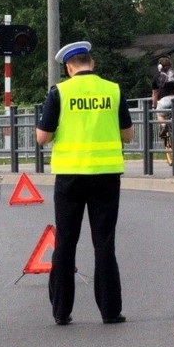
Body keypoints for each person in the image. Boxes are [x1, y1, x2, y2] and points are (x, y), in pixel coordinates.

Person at [35, 41, 134, 326]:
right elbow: (128, 136)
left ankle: (61, 311)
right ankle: (110, 311)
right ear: (93, 63)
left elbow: (43, 137)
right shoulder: (113, 91)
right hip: (106, 176)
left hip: (70, 177)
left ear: (68, 68)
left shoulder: (60, 93)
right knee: (104, 243)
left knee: (65, 242)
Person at [151, 56, 174, 151]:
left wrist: (154, 106)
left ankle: (164, 125)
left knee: (160, 115)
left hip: (164, 101)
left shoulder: (157, 76)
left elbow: (155, 94)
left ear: (159, 66)